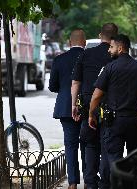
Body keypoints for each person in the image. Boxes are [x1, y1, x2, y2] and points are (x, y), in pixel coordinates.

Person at [88, 34, 137, 169]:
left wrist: (91, 114)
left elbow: (96, 96)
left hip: (114, 121)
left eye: (112, 47)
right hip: (135, 121)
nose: (109, 50)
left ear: (120, 49)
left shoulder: (109, 68)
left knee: (114, 160)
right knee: (135, 159)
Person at [71, 23, 118, 189]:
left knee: (90, 145)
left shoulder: (87, 54)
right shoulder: (116, 56)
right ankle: (105, 183)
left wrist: (74, 105)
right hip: (110, 109)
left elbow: (76, 82)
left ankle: (90, 183)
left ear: (100, 35)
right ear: (115, 37)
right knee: (107, 146)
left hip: (88, 107)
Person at [49, 29, 86, 189]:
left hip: (65, 107)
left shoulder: (59, 60)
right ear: (84, 43)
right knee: (88, 145)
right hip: (86, 107)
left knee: (70, 146)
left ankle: (72, 183)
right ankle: (89, 181)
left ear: (69, 43)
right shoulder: (89, 58)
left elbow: (52, 86)